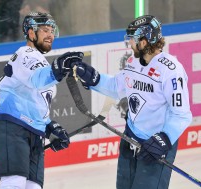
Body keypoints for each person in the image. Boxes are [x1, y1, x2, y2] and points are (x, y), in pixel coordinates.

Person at [73, 15, 192, 188]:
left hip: (155, 146)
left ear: (144, 41)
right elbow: (116, 86)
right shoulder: (133, 62)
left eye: (132, 39)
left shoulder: (171, 70)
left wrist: (164, 139)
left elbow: (182, 114)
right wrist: (94, 78)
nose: (129, 43)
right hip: (130, 139)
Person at [0, 12, 83, 189]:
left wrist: (49, 126)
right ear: (30, 33)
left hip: (33, 129)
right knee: (14, 182)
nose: (50, 35)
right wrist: (58, 69)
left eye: (52, 31)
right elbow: (38, 79)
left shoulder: (43, 64)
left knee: (33, 186)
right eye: (45, 30)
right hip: (11, 122)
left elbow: (35, 101)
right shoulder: (25, 54)